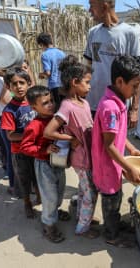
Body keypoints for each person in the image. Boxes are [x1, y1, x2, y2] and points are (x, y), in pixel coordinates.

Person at [91, 55, 140, 247]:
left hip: (115, 164)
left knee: (117, 196)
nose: (136, 90)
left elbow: (119, 137)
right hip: (107, 166)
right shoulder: (110, 108)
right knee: (111, 200)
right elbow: (109, 145)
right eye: (134, 85)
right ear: (120, 81)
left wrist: (131, 148)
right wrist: (129, 167)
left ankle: (114, 223)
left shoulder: (119, 101)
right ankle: (111, 234)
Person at [44, 55, 100, 239]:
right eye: (87, 82)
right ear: (75, 82)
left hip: (89, 155)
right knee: (90, 193)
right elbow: (48, 131)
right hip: (81, 158)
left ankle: (83, 218)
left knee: (86, 191)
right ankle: (82, 229)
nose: (90, 86)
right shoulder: (67, 106)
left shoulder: (83, 102)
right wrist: (70, 138)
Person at [20, 86, 70, 243]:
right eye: (45, 103)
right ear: (33, 107)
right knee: (49, 196)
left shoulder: (56, 119)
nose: (51, 105)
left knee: (60, 189)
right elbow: (25, 147)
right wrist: (44, 149)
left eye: (51, 101)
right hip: (44, 165)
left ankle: (55, 211)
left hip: (59, 162)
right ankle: (49, 225)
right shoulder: (34, 125)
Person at [85, 0, 140, 128]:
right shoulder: (93, 32)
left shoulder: (129, 34)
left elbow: (137, 77)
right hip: (93, 103)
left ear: (104, 5)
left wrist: (135, 109)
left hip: (116, 106)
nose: (89, 10)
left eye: (92, 5)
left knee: (114, 145)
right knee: (93, 145)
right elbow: (88, 68)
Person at [1, 68, 40, 218]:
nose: (19, 87)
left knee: (38, 176)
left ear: (29, 83)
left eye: (22, 83)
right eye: (14, 84)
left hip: (36, 150)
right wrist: (32, 134)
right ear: (8, 87)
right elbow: (11, 136)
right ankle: (27, 204)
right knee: (24, 180)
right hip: (20, 152)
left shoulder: (34, 103)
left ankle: (39, 197)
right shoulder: (9, 110)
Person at [36, 32, 65, 108]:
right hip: (64, 84)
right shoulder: (61, 53)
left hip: (54, 85)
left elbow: (48, 73)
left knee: (57, 108)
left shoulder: (45, 54)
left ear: (41, 44)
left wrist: (41, 75)